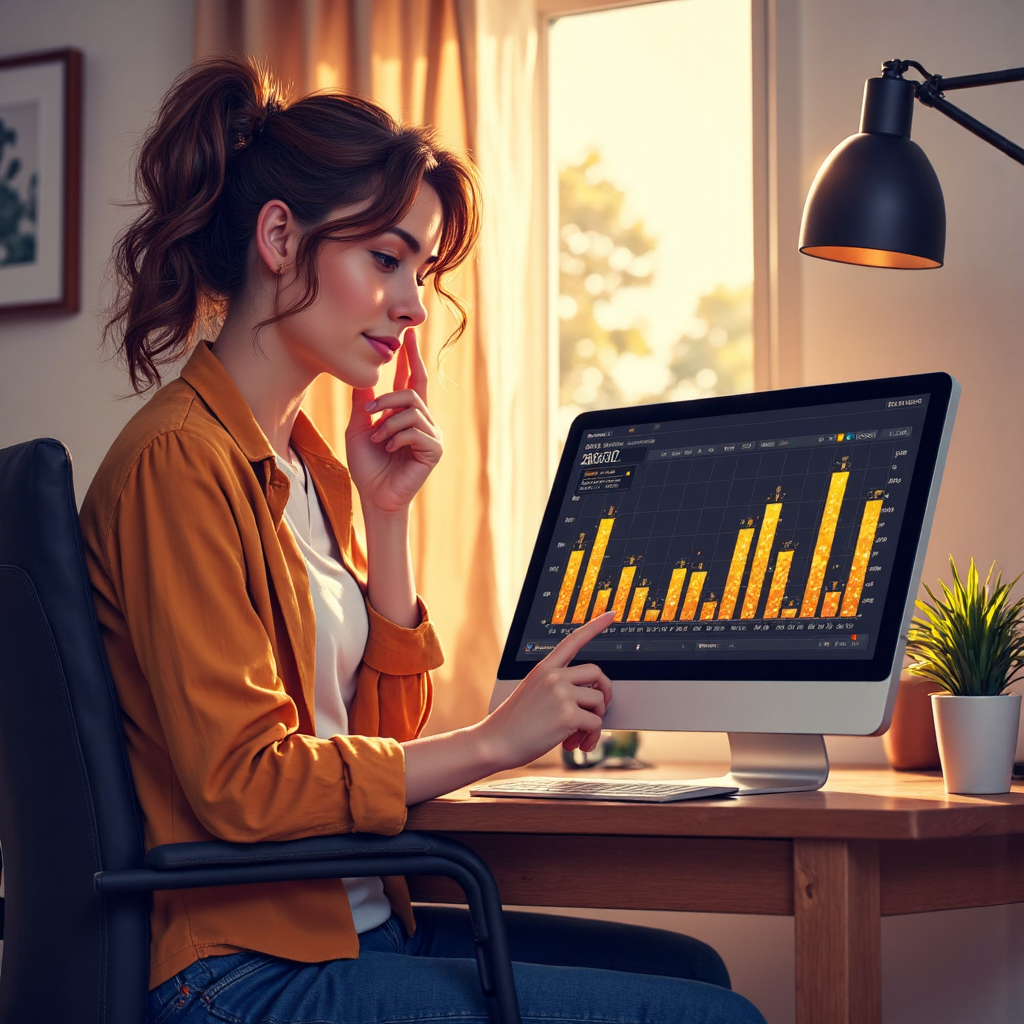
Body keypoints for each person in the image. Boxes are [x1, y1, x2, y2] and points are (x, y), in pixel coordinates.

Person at [80, 55, 766, 1024]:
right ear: (281, 237)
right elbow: (242, 783)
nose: (411, 304)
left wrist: (386, 515)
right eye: (387, 259)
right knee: (714, 1021)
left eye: (420, 270)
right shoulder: (178, 464)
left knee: (694, 972)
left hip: (358, 926)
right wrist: (493, 741)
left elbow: (375, 748)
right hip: (237, 969)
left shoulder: (307, 467)